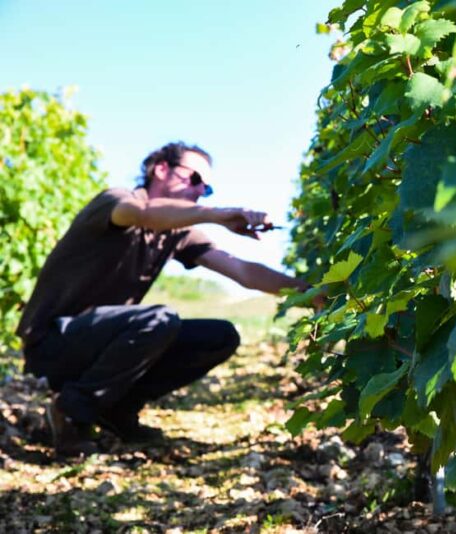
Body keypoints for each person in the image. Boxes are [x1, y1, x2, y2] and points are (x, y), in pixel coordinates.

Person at [16, 141, 317, 457]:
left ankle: (116, 408)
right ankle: (71, 411)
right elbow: (144, 214)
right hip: (52, 345)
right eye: (195, 179)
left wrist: (311, 293)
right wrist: (215, 215)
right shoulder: (116, 202)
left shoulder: (176, 234)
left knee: (219, 336)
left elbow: (243, 271)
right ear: (161, 169)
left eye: (207, 188)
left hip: (102, 345)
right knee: (159, 320)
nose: (200, 191)